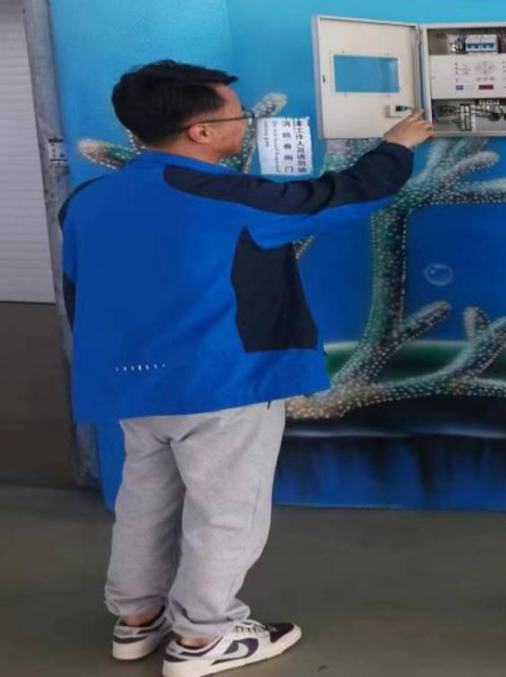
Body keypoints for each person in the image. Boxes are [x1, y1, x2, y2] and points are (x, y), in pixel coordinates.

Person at [60, 60, 432, 677]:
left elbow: (79, 289)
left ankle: (137, 618)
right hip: (223, 381)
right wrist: (397, 146)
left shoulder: (87, 201)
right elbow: (339, 196)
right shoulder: (227, 196)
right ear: (200, 131)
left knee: (145, 500)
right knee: (226, 511)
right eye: (238, 115)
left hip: (134, 385)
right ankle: (203, 637)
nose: (247, 123)